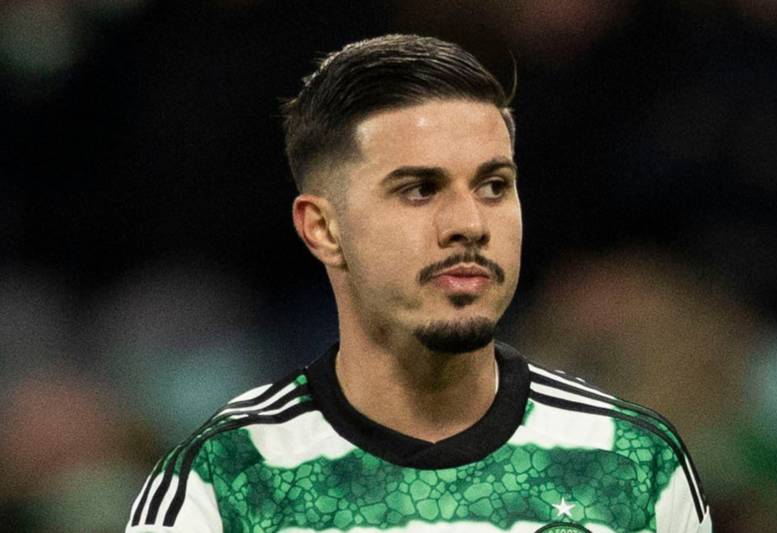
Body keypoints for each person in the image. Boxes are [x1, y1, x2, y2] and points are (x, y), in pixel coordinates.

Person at [126, 34, 712, 533]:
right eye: (419, 189)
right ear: (323, 229)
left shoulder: (635, 464)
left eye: (494, 186)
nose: (469, 224)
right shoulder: (221, 485)